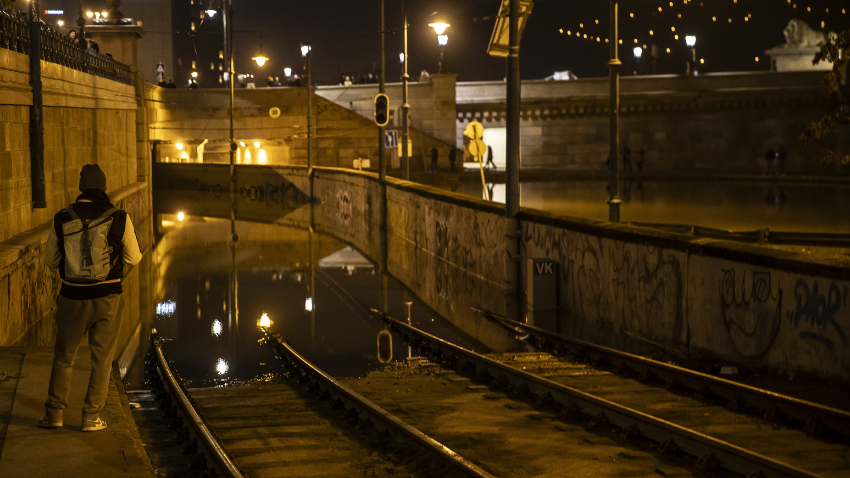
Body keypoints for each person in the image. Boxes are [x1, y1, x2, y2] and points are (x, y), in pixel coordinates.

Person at [39, 164, 142, 432]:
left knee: (64, 357)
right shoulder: (119, 217)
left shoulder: (62, 217)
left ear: (81, 187)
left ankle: (54, 415)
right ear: (104, 187)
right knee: (102, 359)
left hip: (71, 297)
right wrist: (112, 275)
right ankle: (90, 417)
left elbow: (51, 261)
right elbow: (135, 258)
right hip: (108, 297)